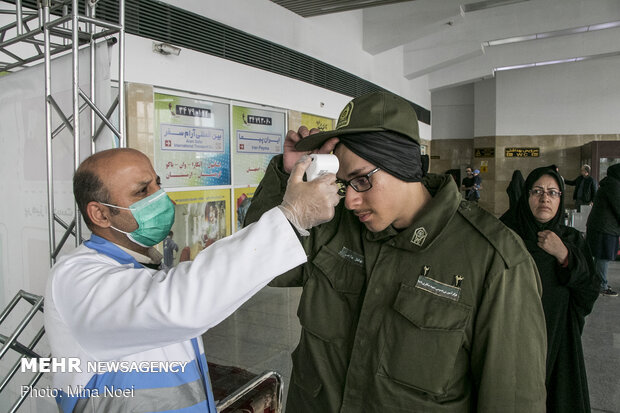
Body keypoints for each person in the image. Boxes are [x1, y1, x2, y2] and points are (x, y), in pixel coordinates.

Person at [245, 91, 547, 412]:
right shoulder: (334, 225)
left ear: (402, 164)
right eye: (346, 183)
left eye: (362, 179)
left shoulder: (495, 262)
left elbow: (513, 401)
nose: (350, 201)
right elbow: (257, 266)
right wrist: (284, 176)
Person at [44, 148, 340, 413]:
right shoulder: (75, 277)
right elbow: (180, 305)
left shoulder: (143, 266)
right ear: (100, 213)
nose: (160, 195)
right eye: (142, 191)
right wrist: (292, 216)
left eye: (157, 183)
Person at [500, 165, 600, 413]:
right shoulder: (505, 235)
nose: (545, 198)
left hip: (558, 338)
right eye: (537, 191)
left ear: (560, 199)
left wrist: (565, 256)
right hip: (511, 339)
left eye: (553, 192)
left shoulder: (571, 240)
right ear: (526, 196)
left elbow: (589, 292)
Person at [586, 163, 620, 297]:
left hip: (602, 227)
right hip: (605, 228)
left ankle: (597, 282)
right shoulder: (614, 186)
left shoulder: (610, 184)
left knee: (600, 257)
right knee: (603, 256)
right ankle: (601, 285)